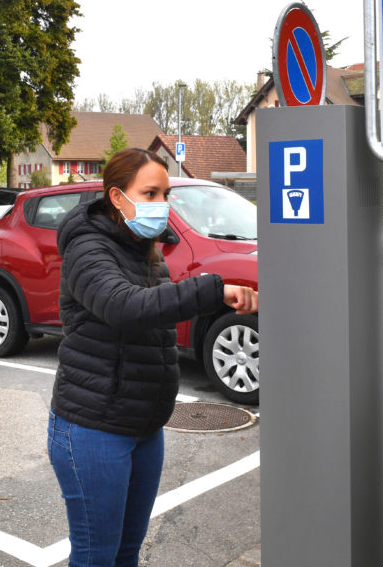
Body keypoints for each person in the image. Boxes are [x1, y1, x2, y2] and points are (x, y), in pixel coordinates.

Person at [47, 147, 258, 567]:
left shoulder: (144, 247)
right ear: (116, 197)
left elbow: (155, 308)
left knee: (126, 553)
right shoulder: (88, 249)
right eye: (150, 193)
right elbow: (124, 306)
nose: (161, 204)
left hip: (144, 426)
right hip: (94, 428)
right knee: (96, 557)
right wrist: (212, 290)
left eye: (165, 194)